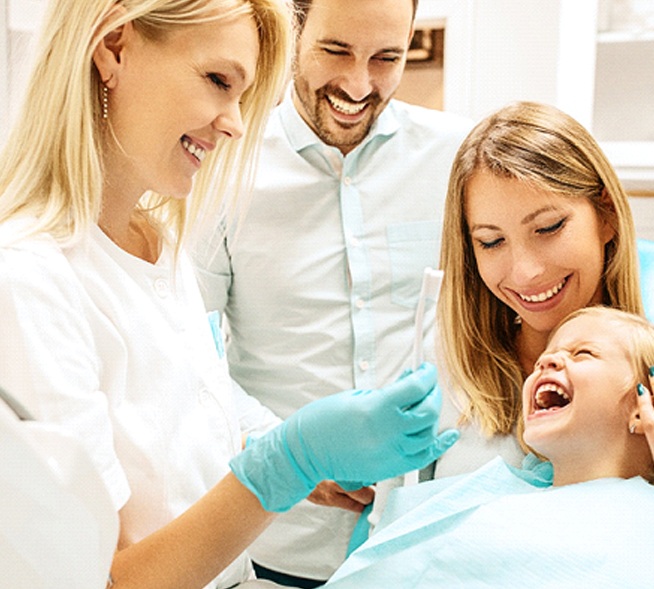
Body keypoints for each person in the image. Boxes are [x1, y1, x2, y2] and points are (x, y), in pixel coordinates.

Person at [0, 1, 460, 588]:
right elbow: (103, 581)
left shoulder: (157, 243)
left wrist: (292, 456)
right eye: (219, 81)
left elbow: (186, 434)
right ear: (115, 47)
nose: (237, 124)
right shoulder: (29, 281)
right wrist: (289, 461)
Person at [192, 0, 472, 583]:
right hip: (281, 543)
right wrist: (292, 453)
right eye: (336, 50)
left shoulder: (457, 158)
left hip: (426, 538)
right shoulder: (222, 165)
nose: (358, 83)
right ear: (294, 30)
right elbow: (188, 357)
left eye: (386, 58)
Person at [322, 306, 654, 588]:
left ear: (643, 406)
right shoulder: (494, 495)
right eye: (544, 357)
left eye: (583, 353)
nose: (547, 361)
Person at [433, 100, 646, 475]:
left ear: (606, 213)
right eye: (491, 241)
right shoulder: (441, 376)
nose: (526, 272)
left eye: (548, 228)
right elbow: (387, 523)